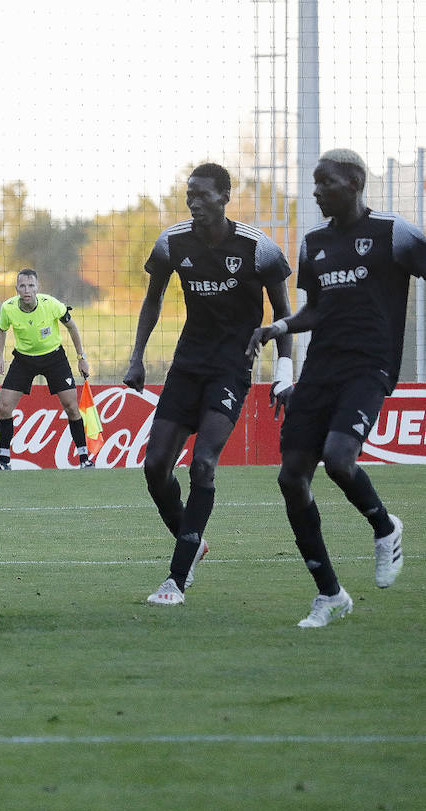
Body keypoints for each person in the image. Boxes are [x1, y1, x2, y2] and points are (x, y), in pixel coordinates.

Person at [247, 148, 426, 628]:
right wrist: (278, 327)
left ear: (353, 181)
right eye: (314, 182)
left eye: (324, 181)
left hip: (368, 367)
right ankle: (330, 595)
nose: (316, 190)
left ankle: (386, 528)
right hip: (321, 370)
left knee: (340, 458)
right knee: (291, 479)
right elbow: (316, 311)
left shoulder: (394, 233)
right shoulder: (313, 243)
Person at [124, 162, 294, 607]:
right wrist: (137, 358)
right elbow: (153, 298)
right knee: (154, 466)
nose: (193, 201)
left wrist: (284, 373)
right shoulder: (172, 242)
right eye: (189, 194)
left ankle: (175, 580)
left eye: (202, 194)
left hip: (231, 370)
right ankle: (192, 540)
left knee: (203, 463)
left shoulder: (259, 249)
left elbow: (283, 314)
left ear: (224, 196)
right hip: (186, 367)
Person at [0, 268, 94, 470]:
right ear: (17, 288)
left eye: (31, 286)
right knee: (3, 407)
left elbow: (72, 327)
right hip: (23, 360)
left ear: (37, 288)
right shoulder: (8, 308)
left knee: (72, 407)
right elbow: (1, 330)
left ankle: (84, 459)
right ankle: (3, 460)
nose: (27, 290)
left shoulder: (51, 305)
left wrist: (82, 358)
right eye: (22, 286)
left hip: (54, 357)